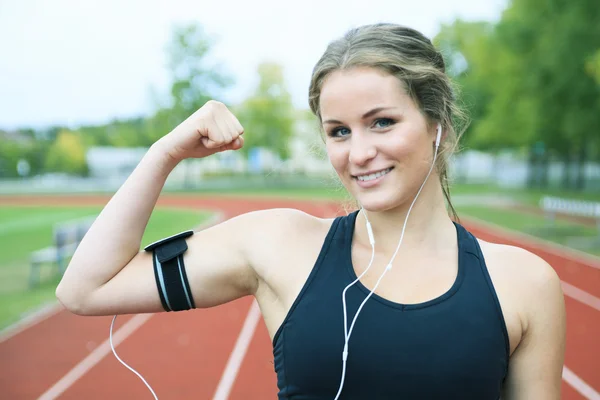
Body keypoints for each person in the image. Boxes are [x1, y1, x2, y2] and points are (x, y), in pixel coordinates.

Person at [56, 23, 566, 399]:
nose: (358, 151)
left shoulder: (523, 282)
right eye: (338, 131)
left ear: (439, 125)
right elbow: (86, 288)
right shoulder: (280, 245)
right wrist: (163, 153)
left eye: (382, 122)